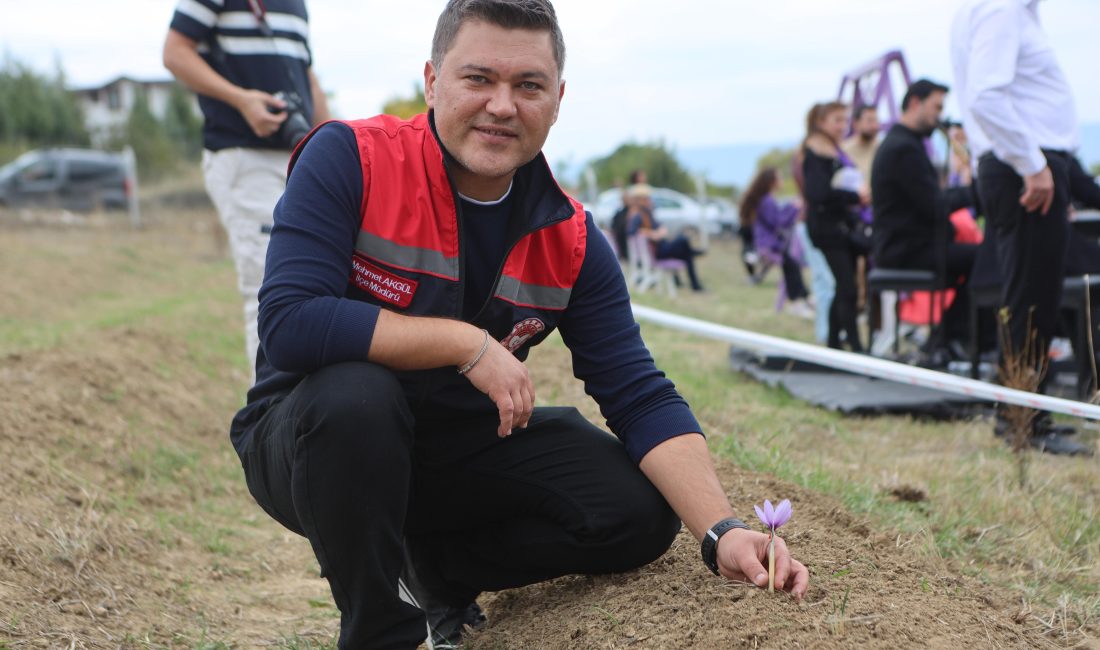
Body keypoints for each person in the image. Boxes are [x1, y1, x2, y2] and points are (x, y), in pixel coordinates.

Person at [231, 1, 809, 647]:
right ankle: (382, 630)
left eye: (527, 86)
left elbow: (637, 391)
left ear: (557, 99)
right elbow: (290, 322)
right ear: (432, 81)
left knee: (639, 512)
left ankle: (438, 571)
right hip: (314, 437)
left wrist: (722, 530)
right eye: (478, 79)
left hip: (454, 448)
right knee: (356, 399)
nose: (502, 106)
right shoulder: (351, 158)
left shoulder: (574, 238)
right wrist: (466, 344)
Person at [952, 0, 1090, 455]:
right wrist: (1034, 166)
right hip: (1024, 166)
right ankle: (1024, 423)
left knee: (1029, 297)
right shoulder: (1001, 9)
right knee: (1033, 300)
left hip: (1020, 164)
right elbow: (986, 96)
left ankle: (1021, 415)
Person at [163, 0, 331, 374]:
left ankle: (300, 410)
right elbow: (175, 53)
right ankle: (267, 418)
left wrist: (340, 143)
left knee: (314, 283)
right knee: (269, 287)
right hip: (244, 156)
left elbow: (308, 78)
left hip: (299, 157)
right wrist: (242, 101)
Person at [870, 79, 976, 359]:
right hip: (906, 251)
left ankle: (950, 336)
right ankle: (952, 338)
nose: (940, 116)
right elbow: (934, 205)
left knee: (982, 258)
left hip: (908, 247)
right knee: (987, 259)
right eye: (936, 107)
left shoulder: (905, 143)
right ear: (915, 102)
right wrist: (975, 193)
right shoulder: (903, 148)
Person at [802, 101, 869, 352]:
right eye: (837, 120)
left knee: (845, 287)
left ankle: (835, 344)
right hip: (828, 230)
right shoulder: (816, 153)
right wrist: (853, 197)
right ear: (821, 122)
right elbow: (818, 194)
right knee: (847, 288)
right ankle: (853, 345)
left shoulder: (832, 150)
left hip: (839, 227)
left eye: (845, 120)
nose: (843, 126)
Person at [740, 167, 812, 317]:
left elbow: (777, 217)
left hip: (772, 245)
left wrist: (791, 207)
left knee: (792, 264)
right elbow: (778, 222)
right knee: (791, 265)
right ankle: (799, 301)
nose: (782, 181)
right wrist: (794, 207)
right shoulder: (766, 201)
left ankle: (801, 300)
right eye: (779, 178)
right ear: (772, 182)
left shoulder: (767, 199)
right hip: (769, 246)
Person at [625, 183, 706, 292]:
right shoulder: (638, 216)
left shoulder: (647, 214)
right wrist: (652, 233)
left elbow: (662, 228)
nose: (650, 200)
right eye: (647, 198)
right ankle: (693, 256)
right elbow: (632, 232)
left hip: (661, 247)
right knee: (683, 240)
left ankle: (695, 283)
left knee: (686, 251)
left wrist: (658, 232)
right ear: (640, 200)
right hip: (657, 251)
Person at [841, 105, 882, 189]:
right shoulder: (843, 150)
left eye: (876, 121)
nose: (875, 126)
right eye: (869, 121)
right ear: (855, 124)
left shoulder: (883, 148)